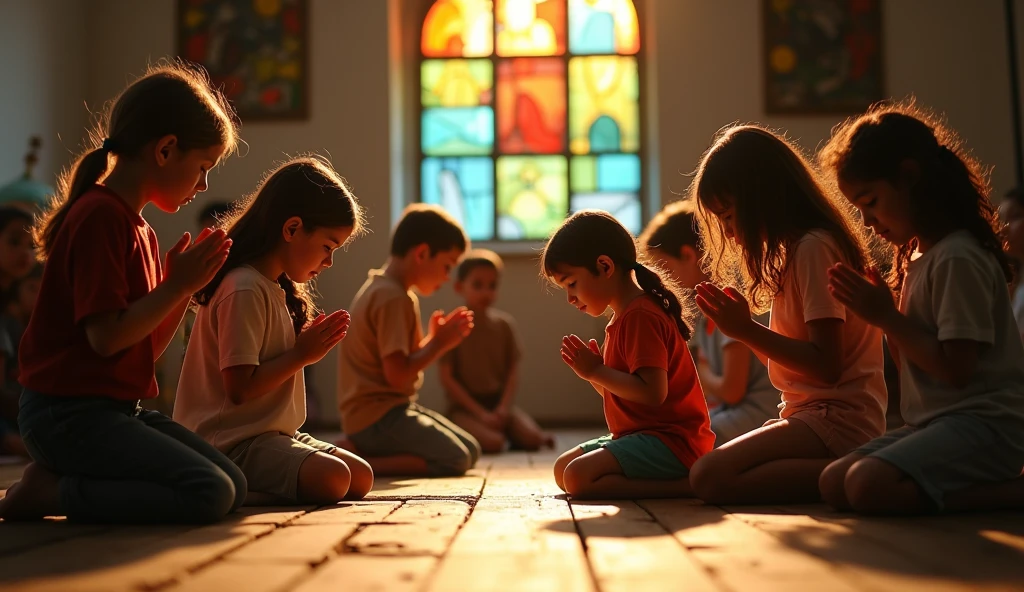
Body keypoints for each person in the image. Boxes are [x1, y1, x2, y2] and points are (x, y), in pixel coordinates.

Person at [0, 61, 246, 524]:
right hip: (66, 416)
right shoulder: (99, 217)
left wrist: (182, 291)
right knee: (207, 492)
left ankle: (62, 483)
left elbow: (141, 349)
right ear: (166, 150)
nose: (204, 184)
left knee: (233, 485)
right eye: (203, 167)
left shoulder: (143, 232)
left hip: (113, 410)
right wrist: (175, 284)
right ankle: (51, 494)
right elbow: (105, 339)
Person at [818, 102, 1024, 514]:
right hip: (938, 423)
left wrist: (887, 317)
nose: (868, 222)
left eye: (871, 201)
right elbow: (913, 362)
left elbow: (956, 371)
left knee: (866, 486)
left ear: (909, 177)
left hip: (987, 425)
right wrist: (884, 318)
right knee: (834, 482)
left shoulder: (957, 257)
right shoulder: (917, 258)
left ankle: (1012, 492)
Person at [688, 124, 886, 505]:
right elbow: (799, 366)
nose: (728, 233)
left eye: (729, 216)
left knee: (709, 475)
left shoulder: (814, 248)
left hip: (837, 420)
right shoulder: (795, 252)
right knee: (703, 467)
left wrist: (745, 330)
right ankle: (852, 467)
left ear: (762, 196)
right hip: (807, 414)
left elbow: (827, 366)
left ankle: (856, 464)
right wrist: (744, 330)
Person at [175, 156, 373, 505]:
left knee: (359, 477)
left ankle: (244, 487)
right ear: (292, 229)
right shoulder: (244, 287)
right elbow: (240, 388)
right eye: (328, 247)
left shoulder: (273, 286)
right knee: (333, 479)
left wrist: (305, 350)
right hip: (230, 444)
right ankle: (234, 491)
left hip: (272, 435)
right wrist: (302, 354)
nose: (328, 262)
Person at [545, 210, 715, 499]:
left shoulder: (640, 315)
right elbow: (625, 397)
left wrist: (597, 372)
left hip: (672, 442)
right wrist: (592, 375)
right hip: (640, 436)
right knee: (563, 469)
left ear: (604, 266)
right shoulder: (622, 317)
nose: (570, 298)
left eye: (572, 283)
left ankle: (687, 485)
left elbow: (652, 394)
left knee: (576, 476)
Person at [336, 204, 480, 476]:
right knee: (456, 459)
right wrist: (440, 344)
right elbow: (398, 375)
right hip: (377, 419)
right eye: (447, 266)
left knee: (471, 449)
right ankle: (357, 457)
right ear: (422, 253)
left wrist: (432, 340)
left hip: (387, 412)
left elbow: (399, 364)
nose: (448, 278)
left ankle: (362, 451)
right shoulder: (393, 298)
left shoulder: (385, 290)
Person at [640, 200, 777, 446]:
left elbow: (731, 391)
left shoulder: (729, 302)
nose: (662, 280)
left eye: (664, 268)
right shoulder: (705, 310)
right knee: (663, 429)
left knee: (678, 441)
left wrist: (701, 375)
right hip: (732, 412)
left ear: (688, 255)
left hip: (761, 415)